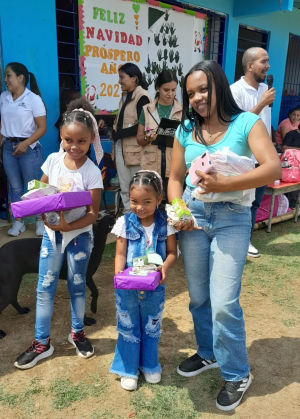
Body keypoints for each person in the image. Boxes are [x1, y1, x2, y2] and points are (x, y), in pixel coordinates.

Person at [168, 60, 281, 411]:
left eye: (203, 89)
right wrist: (180, 210)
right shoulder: (185, 128)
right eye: (191, 94)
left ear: (218, 85)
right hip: (194, 218)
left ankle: (236, 373)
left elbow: (272, 167)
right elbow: (174, 179)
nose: (198, 98)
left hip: (232, 218)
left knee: (223, 300)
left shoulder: (246, 122)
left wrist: (226, 184)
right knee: (199, 296)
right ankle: (207, 353)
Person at [14, 97, 103, 369]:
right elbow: (40, 190)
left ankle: (77, 333)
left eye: (81, 141)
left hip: (79, 239)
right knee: (44, 288)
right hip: (52, 239)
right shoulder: (52, 161)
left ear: (91, 140)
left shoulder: (91, 172)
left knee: (77, 287)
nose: (74, 147)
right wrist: (36, 204)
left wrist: (68, 227)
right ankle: (42, 342)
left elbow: (92, 213)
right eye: (68, 140)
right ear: (61, 137)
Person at [110, 170, 177, 390]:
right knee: (128, 326)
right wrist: (119, 275)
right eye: (134, 201)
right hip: (128, 289)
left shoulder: (165, 224)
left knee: (151, 327)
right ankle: (128, 368)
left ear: (159, 199)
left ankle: (149, 364)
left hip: (154, 289)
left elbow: (172, 253)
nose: (140, 207)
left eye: (147, 201)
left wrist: (164, 268)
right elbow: (120, 254)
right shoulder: (125, 222)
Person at [230, 47, 275, 258]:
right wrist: (262, 103)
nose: (267, 66)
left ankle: (246, 239)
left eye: (267, 62)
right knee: (240, 202)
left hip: (262, 158)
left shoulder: (265, 87)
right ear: (249, 66)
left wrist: (272, 145)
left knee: (255, 202)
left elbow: (266, 122)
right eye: (263, 62)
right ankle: (236, 239)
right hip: (243, 159)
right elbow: (238, 124)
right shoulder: (235, 91)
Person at [0, 62, 46, 237]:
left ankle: (40, 221)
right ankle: (19, 223)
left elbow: (42, 128)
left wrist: (26, 143)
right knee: (16, 188)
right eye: (5, 76)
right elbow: (2, 125)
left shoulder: (33, 99)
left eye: (8, 75)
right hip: (8, 148)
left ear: (20, 78)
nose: (6, 79)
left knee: (34, 187)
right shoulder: (3, 97)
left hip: (29, 149)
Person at [98, 63, 150, 213]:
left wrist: (119, 134)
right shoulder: (125, 96)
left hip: (136, 149)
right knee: (125, 185)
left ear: (134, 78)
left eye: (122, 77)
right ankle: (129, 214)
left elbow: (143, 126)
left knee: (138, 187)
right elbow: (123, 120)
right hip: (122, 147)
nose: (119, 81)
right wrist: (107, 121)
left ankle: (141, 215)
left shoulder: (142, 98)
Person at [137, 70, 182, 200]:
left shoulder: (182, 110)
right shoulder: (147, 110)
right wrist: (147, 138)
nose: (170, 94)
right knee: (151, 202)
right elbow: (139, 139)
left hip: (173, 166)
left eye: (173, 90)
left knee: (172, 204)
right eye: (166, 90)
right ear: (157, 88)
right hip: (151, 165)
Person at [282, 123, 300, 208]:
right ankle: (291, 204)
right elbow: (284, 147)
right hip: (291, 163)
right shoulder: (291, 134)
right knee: (293, 179)